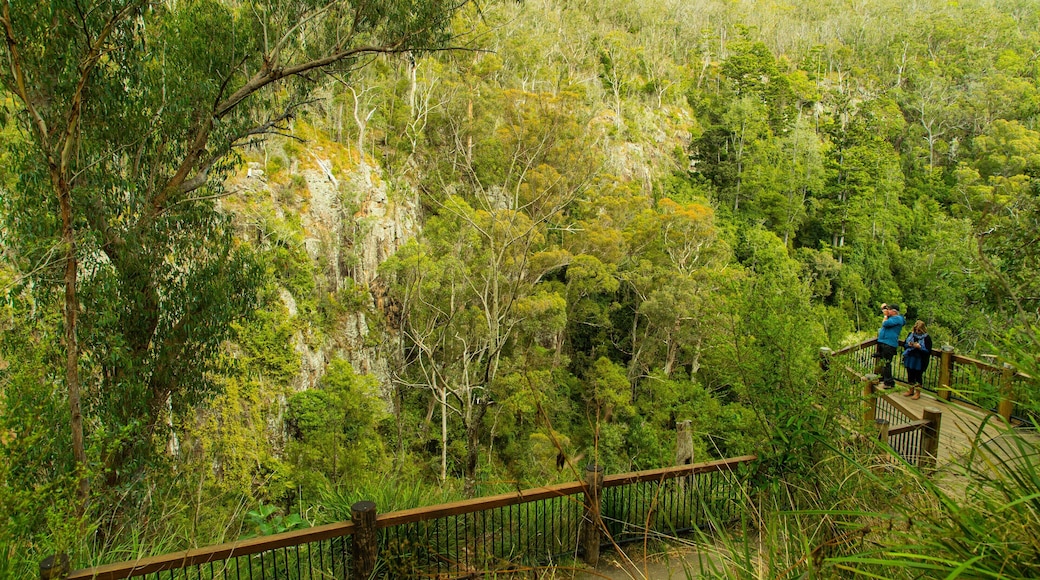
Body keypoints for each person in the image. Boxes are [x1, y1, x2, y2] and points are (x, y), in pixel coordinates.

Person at [876, 303, 905, 389]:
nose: (887, 311)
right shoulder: (892, 318)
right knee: (884, 363)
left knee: (887, 363)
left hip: (889, 344)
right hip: (884, 342)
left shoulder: (897, 319)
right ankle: (888, 380)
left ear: (894, 311)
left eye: (889, 309)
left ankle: (888, 382)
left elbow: (885, 324)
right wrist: (884, 308)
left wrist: (885, 316)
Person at [902, 320, 932, 399]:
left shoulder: (926, 338)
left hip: (920, 360)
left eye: (919, 330)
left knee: (918, 376)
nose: (917, 332)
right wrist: (909, 345)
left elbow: (928, 350)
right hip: (910, 357)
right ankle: (910, 390)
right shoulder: (911, 335)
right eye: (916, 330)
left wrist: (920, 347)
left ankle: (917, 392)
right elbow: (904, 344)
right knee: (910, 374)